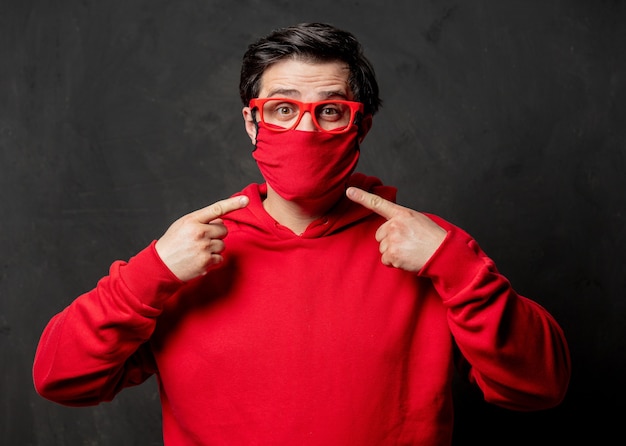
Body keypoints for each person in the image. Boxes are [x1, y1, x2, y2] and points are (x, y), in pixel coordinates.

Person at [33, 22, 571, 445]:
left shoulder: (428, 246)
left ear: (360, 125)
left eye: (330, 111)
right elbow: (61, 379)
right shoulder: (186, 257)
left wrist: (458, 266)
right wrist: (147, 275)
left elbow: (539, 388)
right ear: (251, 121)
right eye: (283, 109)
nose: (305, 131)